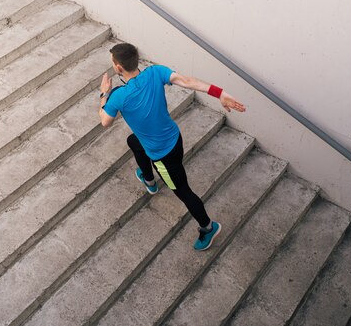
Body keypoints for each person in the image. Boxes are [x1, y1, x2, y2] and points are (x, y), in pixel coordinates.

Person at [98, 43, 246, 250]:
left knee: (183, 191)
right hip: (174, 138)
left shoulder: (118, 96)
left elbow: (105, 121)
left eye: (113, 62)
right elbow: (186, 81)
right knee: (134, 141)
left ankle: (208, 227)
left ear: (118, 68)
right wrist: (219, 93)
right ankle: (149, 180)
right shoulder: (155, 72)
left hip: (162, 156)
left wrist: (104, 94)